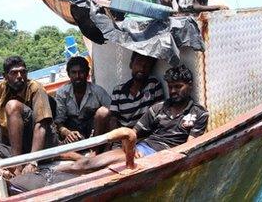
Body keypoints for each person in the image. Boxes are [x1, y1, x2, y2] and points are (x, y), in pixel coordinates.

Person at [55, 65, 209, 173]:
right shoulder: (158, 108)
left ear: (189, 85)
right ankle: (51, 175)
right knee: (89, 165)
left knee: (97, 169)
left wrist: (160, 158)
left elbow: (190, 148)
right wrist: (131, 149)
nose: (173, 91)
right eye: (171, 87)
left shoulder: (199, 113)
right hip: (141, 150)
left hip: (162, 157)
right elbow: (130, 133)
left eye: (178, 86)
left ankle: (71, 157)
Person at [0, 56, 55, 174]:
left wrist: (32, 161)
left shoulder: (35, 87)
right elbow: (1, 122)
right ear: (5, 76)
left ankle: (17, 164)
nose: (19, 76)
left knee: (12, 106)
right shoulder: (0, 88)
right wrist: (3, 148)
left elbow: (41, 125)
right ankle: (15, 159)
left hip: (38, 141)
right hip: (16, 145)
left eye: (23, 72)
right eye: (14, 73)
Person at [54, 56, 111, 144]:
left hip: (94, 132)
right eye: (74, 72)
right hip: (72, 131)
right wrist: (67, 133)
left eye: (81, 72)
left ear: (87, 73)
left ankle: (95, 149)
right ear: (69, 74)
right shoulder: (61, 93)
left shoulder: (98, 91)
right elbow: (59, 122)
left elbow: (112, 113)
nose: (77, 76)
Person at [110, 52, 165, 129]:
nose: (142, 68)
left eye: (147, 65)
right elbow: (113, 118)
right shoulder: (118, 90)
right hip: (123, 134)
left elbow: (159, 112)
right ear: (131, 64)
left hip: (144, 135)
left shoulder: (153, 84)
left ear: (151, 68)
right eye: (138, 62)